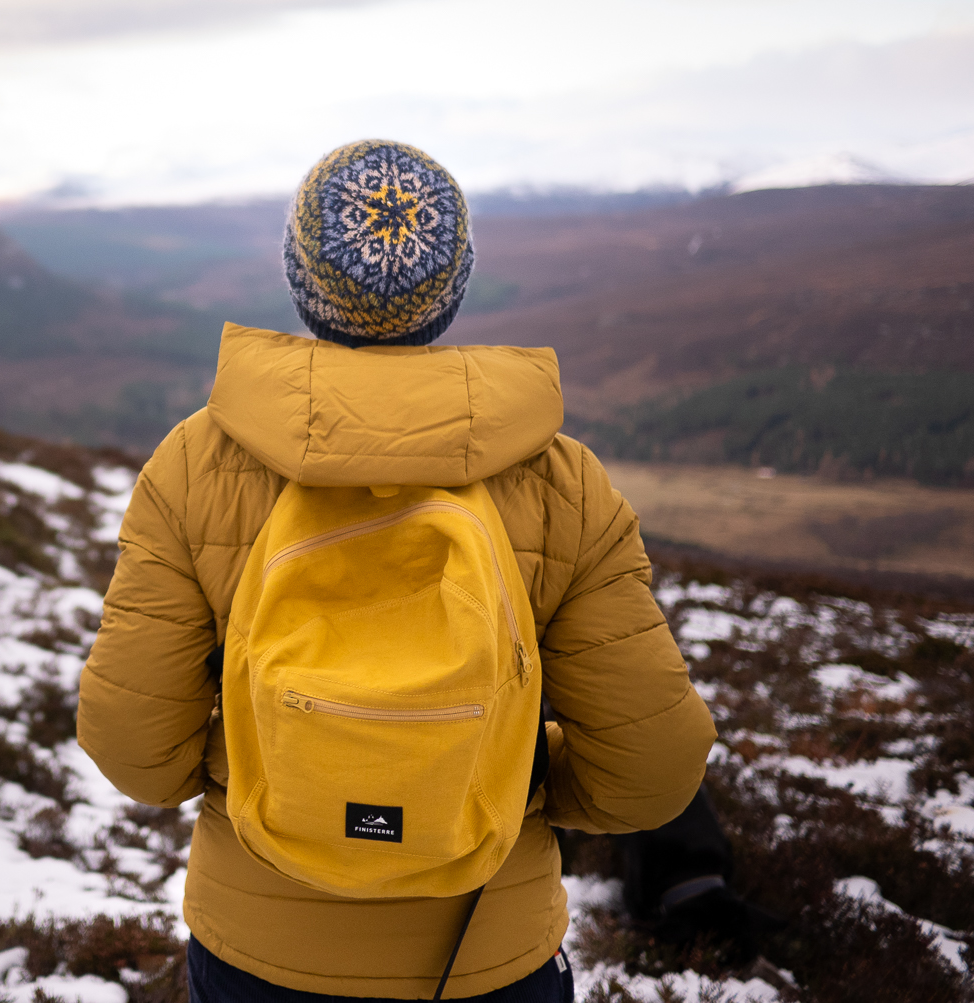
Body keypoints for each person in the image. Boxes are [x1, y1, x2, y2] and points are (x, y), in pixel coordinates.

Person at [77, 139, 717, 1001]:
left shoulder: (195, 464)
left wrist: (284, 764)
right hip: (488, 956)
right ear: (453, 285)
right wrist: (494, 777)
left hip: (258, 954)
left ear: (300, 272)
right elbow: (655, 765)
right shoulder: (561, 480)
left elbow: (133, 747)